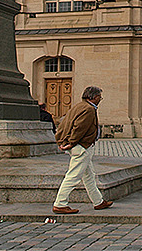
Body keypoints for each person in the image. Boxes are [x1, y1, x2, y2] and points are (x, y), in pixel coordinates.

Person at [52, 85, 113, 213]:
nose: (100, 100)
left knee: (89, 176)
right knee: (73, 176)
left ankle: (98, 201)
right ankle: (60, 203)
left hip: (81, 146)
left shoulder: (79, 106)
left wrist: (62, 140)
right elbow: (79, 128)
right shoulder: (89, 109)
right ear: (94, 97)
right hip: (82, 147)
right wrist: (71, 142)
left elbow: (65, 123)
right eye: (99, 98)